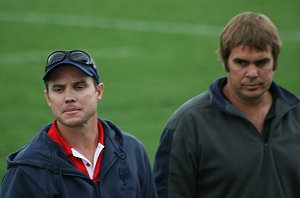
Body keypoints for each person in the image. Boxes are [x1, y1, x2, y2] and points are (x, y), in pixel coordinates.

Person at [153, 12, 300, 198]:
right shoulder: (188, 124)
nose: (252, 73)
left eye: (262, 62)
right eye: (241, 63)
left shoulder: (297, 116)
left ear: (275, 62)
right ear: (225, 62)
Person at [0, 50, 158, 198]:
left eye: (79, 87)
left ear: (99, 92)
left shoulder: (132, 150)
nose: (68, 97)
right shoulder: (27, 170)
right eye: (59, 89)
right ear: (48, 98)